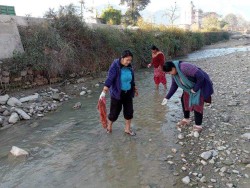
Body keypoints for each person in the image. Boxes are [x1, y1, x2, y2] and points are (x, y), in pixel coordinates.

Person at [161, 60, 213, 132]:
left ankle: (198, 125)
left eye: (170, 72)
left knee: (197, 104)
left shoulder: (184, 67)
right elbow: (174, 85)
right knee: (184, 100)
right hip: (189, 88)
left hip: (199, 85)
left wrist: (195, 89)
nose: (170, 74)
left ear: (173, 68)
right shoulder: (174, 74)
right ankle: (186, 119)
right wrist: (167, 97)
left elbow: (200, 76)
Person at [99, 50, 139, 136]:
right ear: (122, 57)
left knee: (129, 112)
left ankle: (127, 129)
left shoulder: (129, 66)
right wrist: (104, 91)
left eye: (130, 60)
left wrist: (135, 88)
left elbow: (131, 79)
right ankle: (109, 127)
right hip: (117, 94)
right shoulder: (115, 66)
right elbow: (110, 79)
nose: (129, 62)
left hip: (128, 93)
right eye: (127, 60)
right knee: (114, 113)